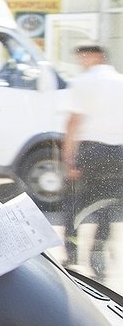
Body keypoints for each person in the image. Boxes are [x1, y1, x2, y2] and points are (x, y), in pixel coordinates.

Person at [61, 43, 123, 281]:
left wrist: (68, 160)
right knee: (106, 204)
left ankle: (72, 254)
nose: (81, 61)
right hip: (118, 153)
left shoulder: (84, 82)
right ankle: (98, 259)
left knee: (74, 204)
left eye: (83, 56)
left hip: (91, 152)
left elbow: (73, 123)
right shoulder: (120, 81)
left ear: (94, 57)